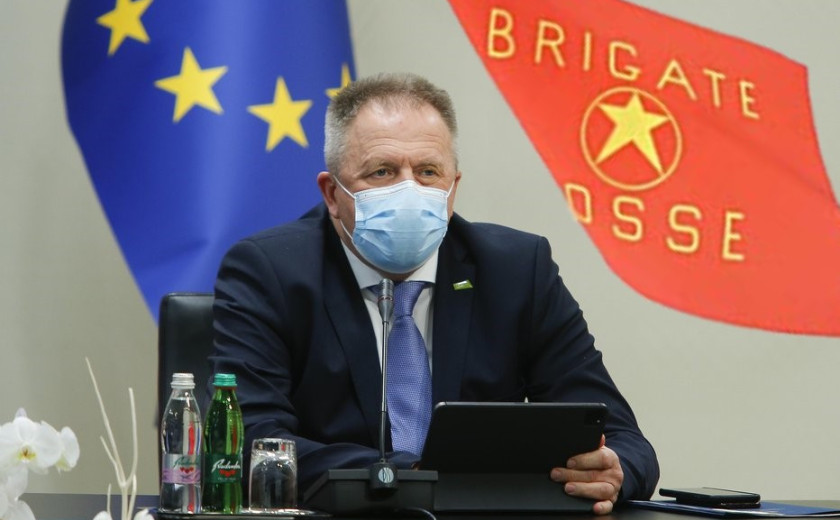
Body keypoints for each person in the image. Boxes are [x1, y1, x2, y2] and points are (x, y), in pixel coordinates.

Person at [209, 72, 659, 514]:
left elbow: (623, 439)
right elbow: (250, 439)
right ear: (332, 194)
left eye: (428, 172)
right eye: (382, 172)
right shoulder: (270, 271)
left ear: (453, 187)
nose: (409, 190)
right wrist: (408, 476)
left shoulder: (517, 269)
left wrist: (614, 469)